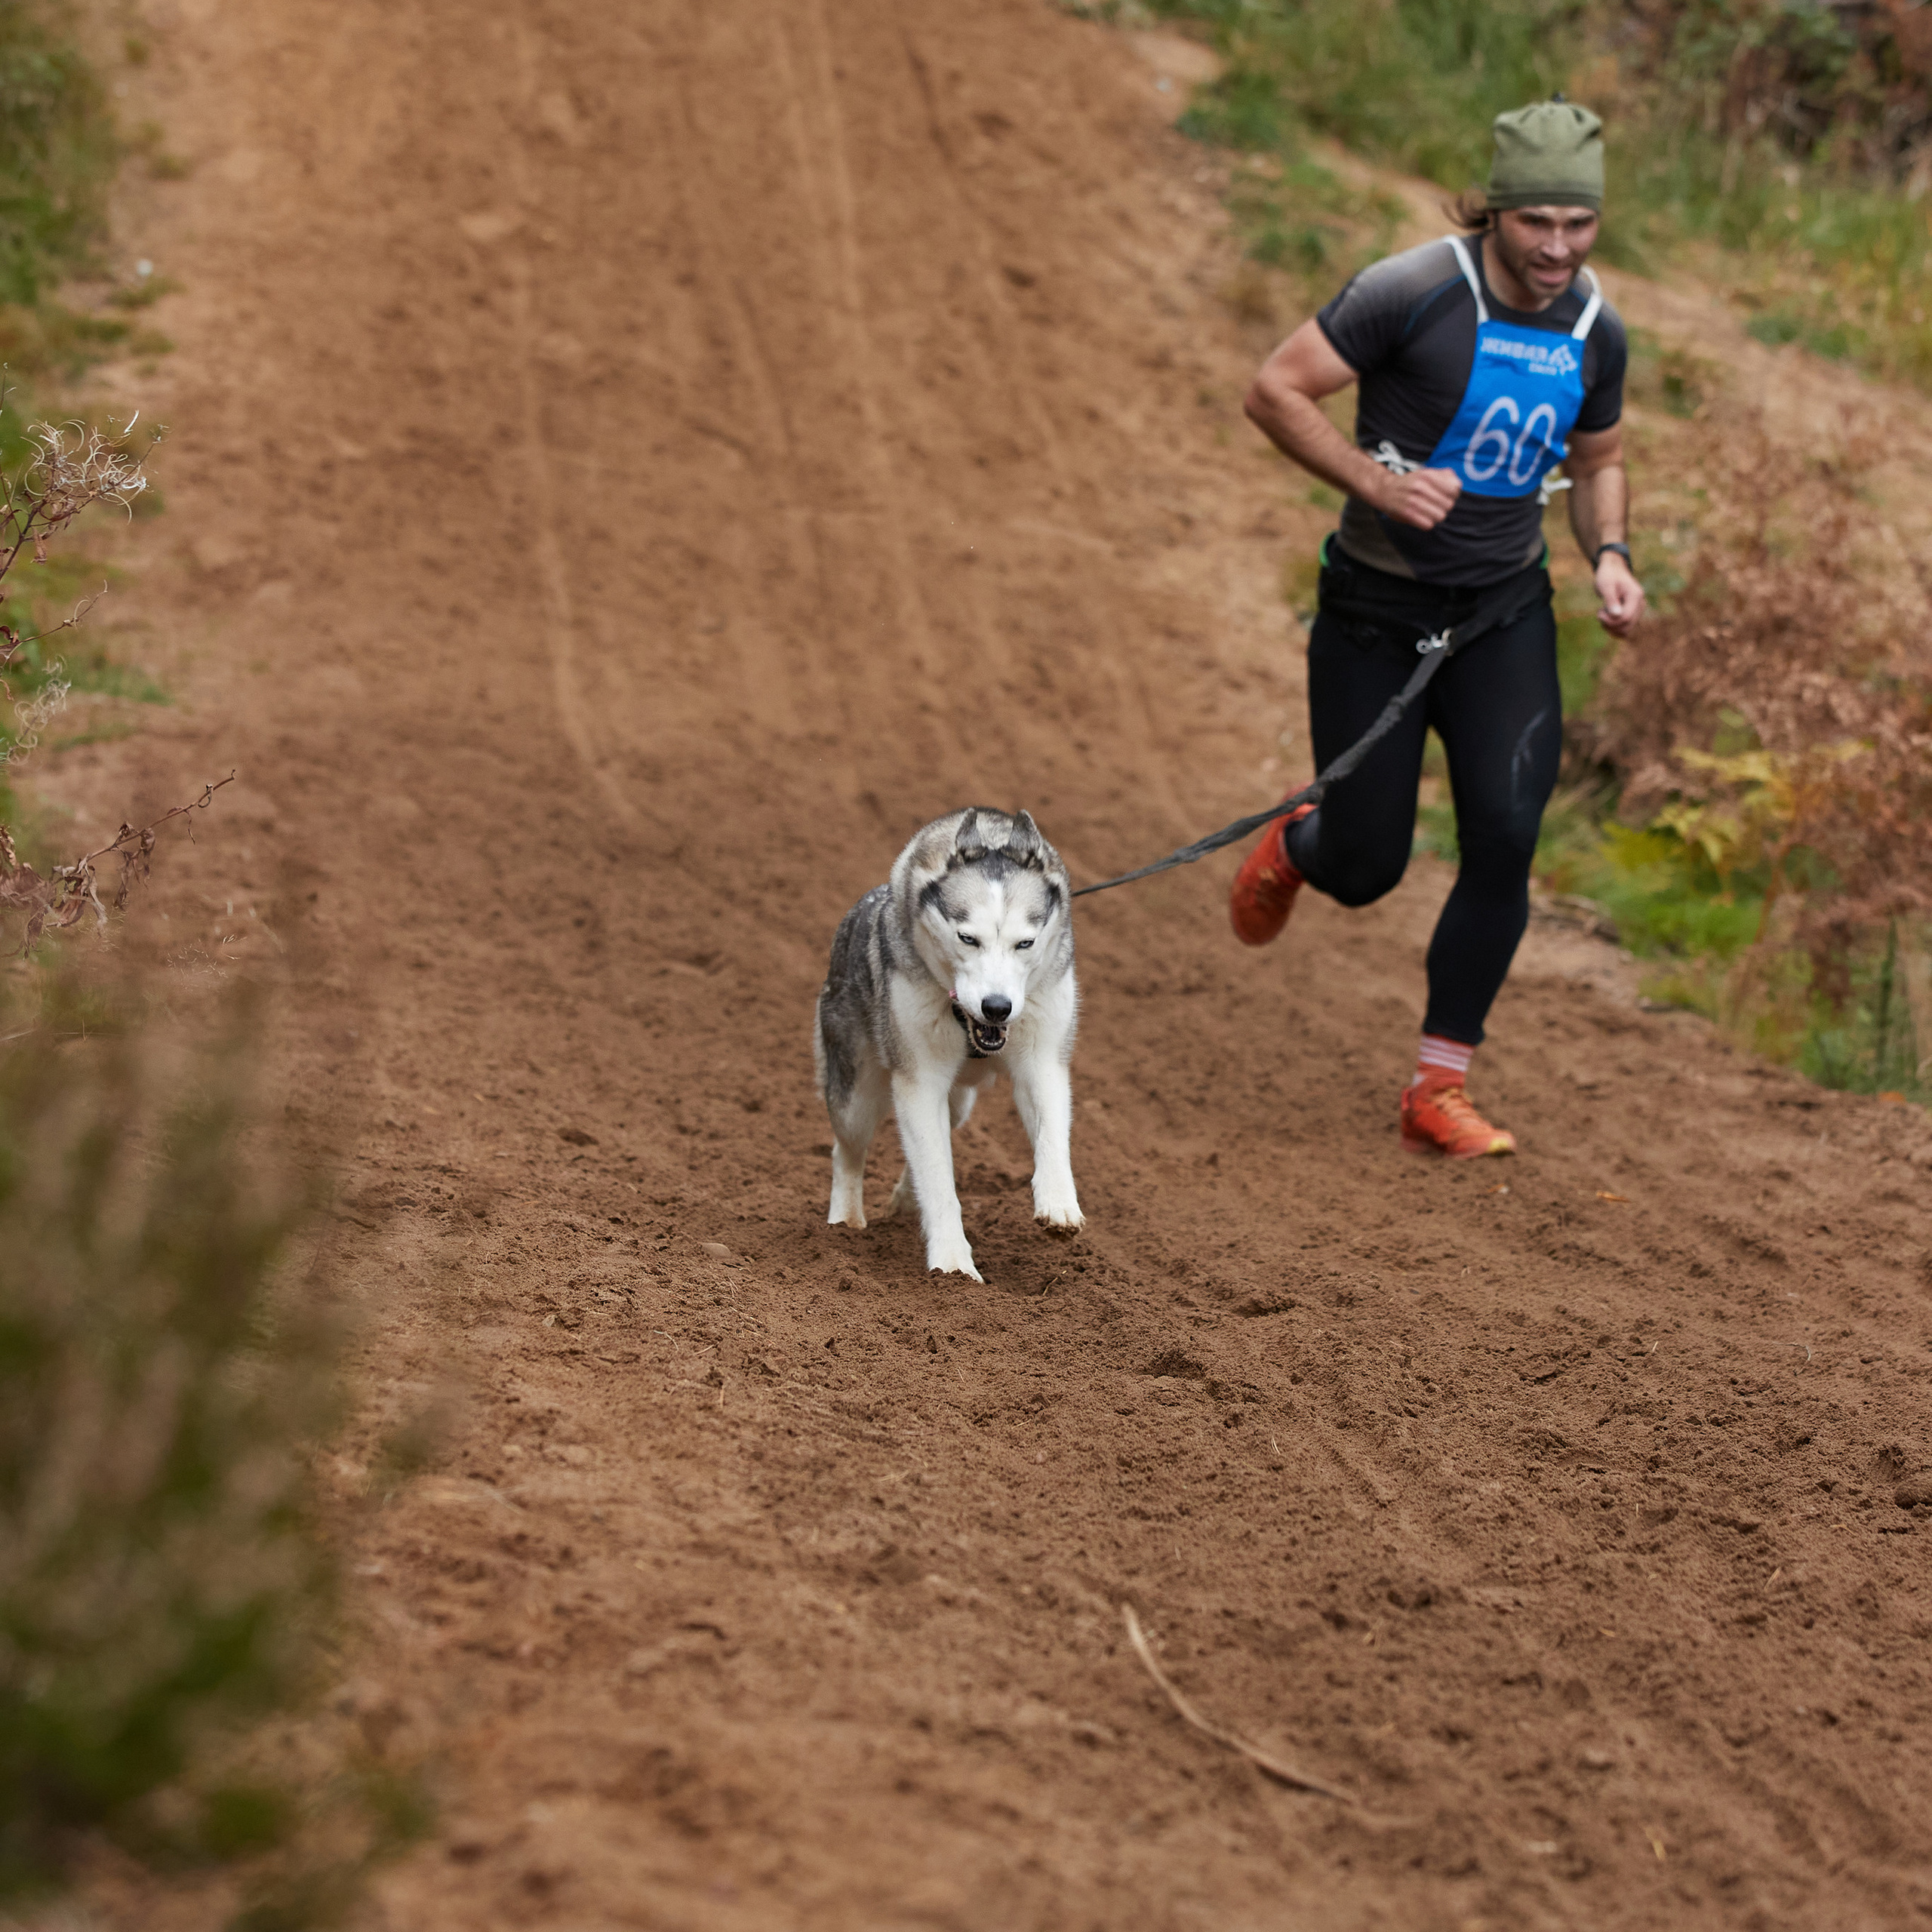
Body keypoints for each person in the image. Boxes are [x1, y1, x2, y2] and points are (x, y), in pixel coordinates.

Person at [1231, 98, 1644, 1158]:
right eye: (1537, 221)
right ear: (1495, 210)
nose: (1558, 248)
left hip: (1503, 611)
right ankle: (1299, 841)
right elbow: (1276, 389)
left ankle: (1437, 1087)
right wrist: (1374, 479)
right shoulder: (1410, 292)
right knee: (1368, 868)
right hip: (1376, 610)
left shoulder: (1597, 329)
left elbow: (1597, 462)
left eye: (1579, 225)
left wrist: (1610, 556)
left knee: (1506, 835)